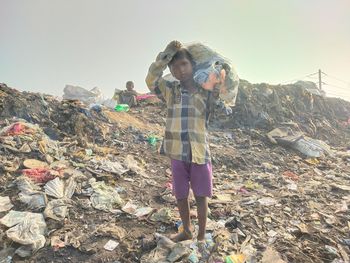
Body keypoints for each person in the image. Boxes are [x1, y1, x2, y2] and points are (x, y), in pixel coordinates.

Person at [145, 41, 236, 242]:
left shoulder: (204, 91)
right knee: (180, 194)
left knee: (201, 195)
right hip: (177, 151)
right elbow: (151, 80)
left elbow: (222, 113)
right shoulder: (171, 90)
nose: (180, 70)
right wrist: (166, 55)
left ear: (192, 65)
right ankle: (186, 230)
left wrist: (216, 90)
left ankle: (201, 236)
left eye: (184, 64)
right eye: (175, 67)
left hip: (199, 151)